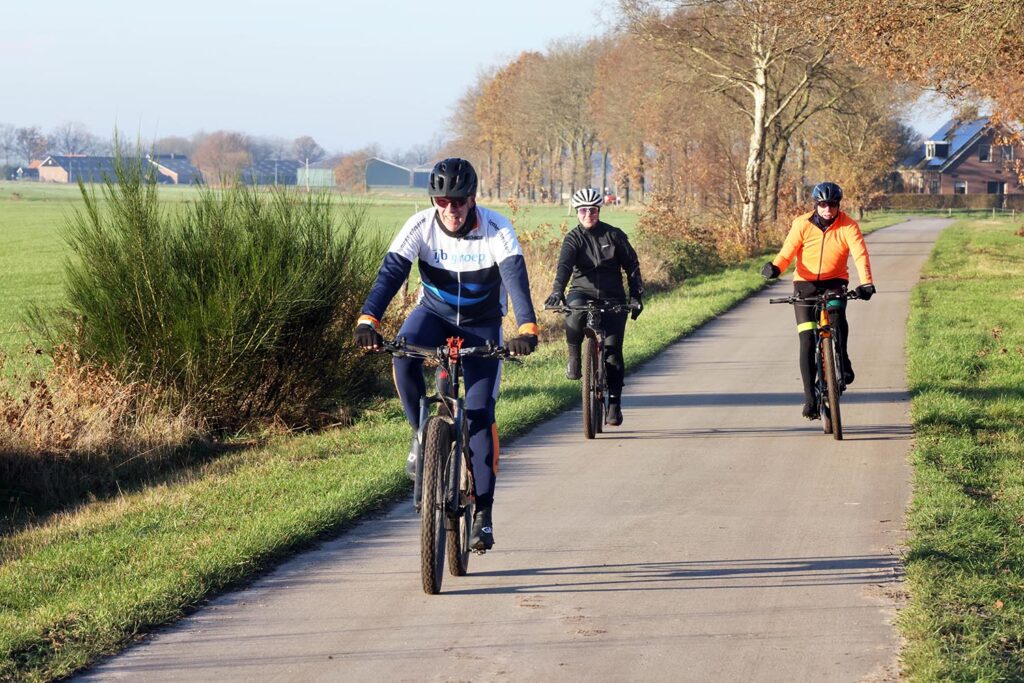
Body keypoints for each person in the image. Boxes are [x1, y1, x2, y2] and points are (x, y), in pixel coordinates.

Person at [353, 158, 539, 551]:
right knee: (403, 355)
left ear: (472, 199)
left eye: (458, 200)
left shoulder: (496, 228)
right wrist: (368, 318)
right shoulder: (420, 225)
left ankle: (484, 515)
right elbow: (391, 274)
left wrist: (526, 328)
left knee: (478, 415)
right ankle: (422, 436)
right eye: (442, 200)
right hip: (433, 315)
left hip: (482, 322)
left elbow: (515, 279)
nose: (450, 209)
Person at [761, 181, 876, 419]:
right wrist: (775, 268)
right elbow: (788, 252)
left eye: (832, 205)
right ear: (816, 205)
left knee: (836, 316)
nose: (828, 210)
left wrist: (866, 283)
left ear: (838, 205)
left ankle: (842, 360)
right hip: (805, 284)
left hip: (835, 282)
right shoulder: (801, 224)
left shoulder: (848, 225)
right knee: (806, 337)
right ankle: (810, 399)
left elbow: (860, 255)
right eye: (823, 204)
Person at [544, 187, 644, 426]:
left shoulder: (614, 235)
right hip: (582, 292)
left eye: (592, 210)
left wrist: (637, 295)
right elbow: (564, 267)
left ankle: (614, 403)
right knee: (573, 316)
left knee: (612, 352)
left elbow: (631, 265)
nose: (588, 214)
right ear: (577, 213)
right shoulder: (573, 238)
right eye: (583, 210)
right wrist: (557, 291)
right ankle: (574, 358)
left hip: (613, 297)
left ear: (598, 210)